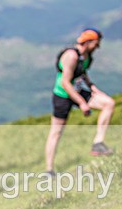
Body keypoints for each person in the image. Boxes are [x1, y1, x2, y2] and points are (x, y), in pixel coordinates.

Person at [44, 28, 116, 174]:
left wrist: (93, 88)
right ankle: (49, 170)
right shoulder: (71, 56)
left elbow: (82, 74)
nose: (98, 47)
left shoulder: (87, 56)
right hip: (62, 95)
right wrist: (82, 103)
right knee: (56, 132)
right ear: (88, 42)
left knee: (109, 103)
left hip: (77, 90)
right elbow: (65, 82)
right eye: (96, 43)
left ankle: (98, 143)